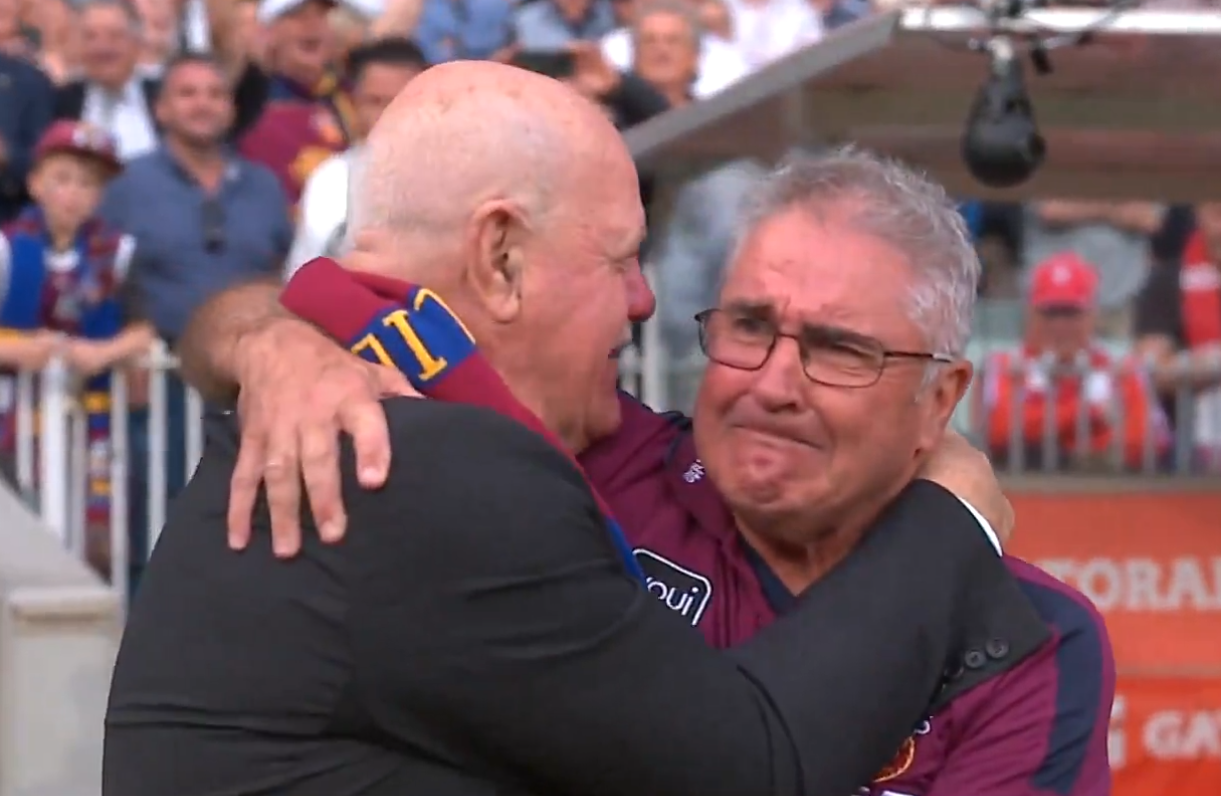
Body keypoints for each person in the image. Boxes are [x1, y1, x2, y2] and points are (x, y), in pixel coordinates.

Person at [104, 62, 1042, 796]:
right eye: (620, 259)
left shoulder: (339, 401)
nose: (642, 302)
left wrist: (259, 335)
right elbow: (749, 766)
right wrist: (950, 514)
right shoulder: (436, 469)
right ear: (500, 256)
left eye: (840, 349)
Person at [0, 120, 153, 566]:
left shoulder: (118, 252)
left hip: (88, 414)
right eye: (62, 178)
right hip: (12, 414)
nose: (73, 193)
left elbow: (143, 329)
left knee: (85, 534)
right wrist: (21, 350)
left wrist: (103, 352)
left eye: (87, 183)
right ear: (35, 183)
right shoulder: (7, 249)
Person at [982, 251, 1170, 471]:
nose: (1060, 325)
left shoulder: (1122, 370)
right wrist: (1092, 414)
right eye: (1050, 312)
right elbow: (999, 431)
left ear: (1093, 314)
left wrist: (1041, 431)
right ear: (1030, 313)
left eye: (1071, 312)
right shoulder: (1003, 365)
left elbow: (1148, 442)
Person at [285, 36, 426, 275]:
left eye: (400, 100)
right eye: (375, 101)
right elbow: (302, 278)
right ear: (355, 104)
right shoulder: (329, 179)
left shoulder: (458, 180)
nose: (388, 114)